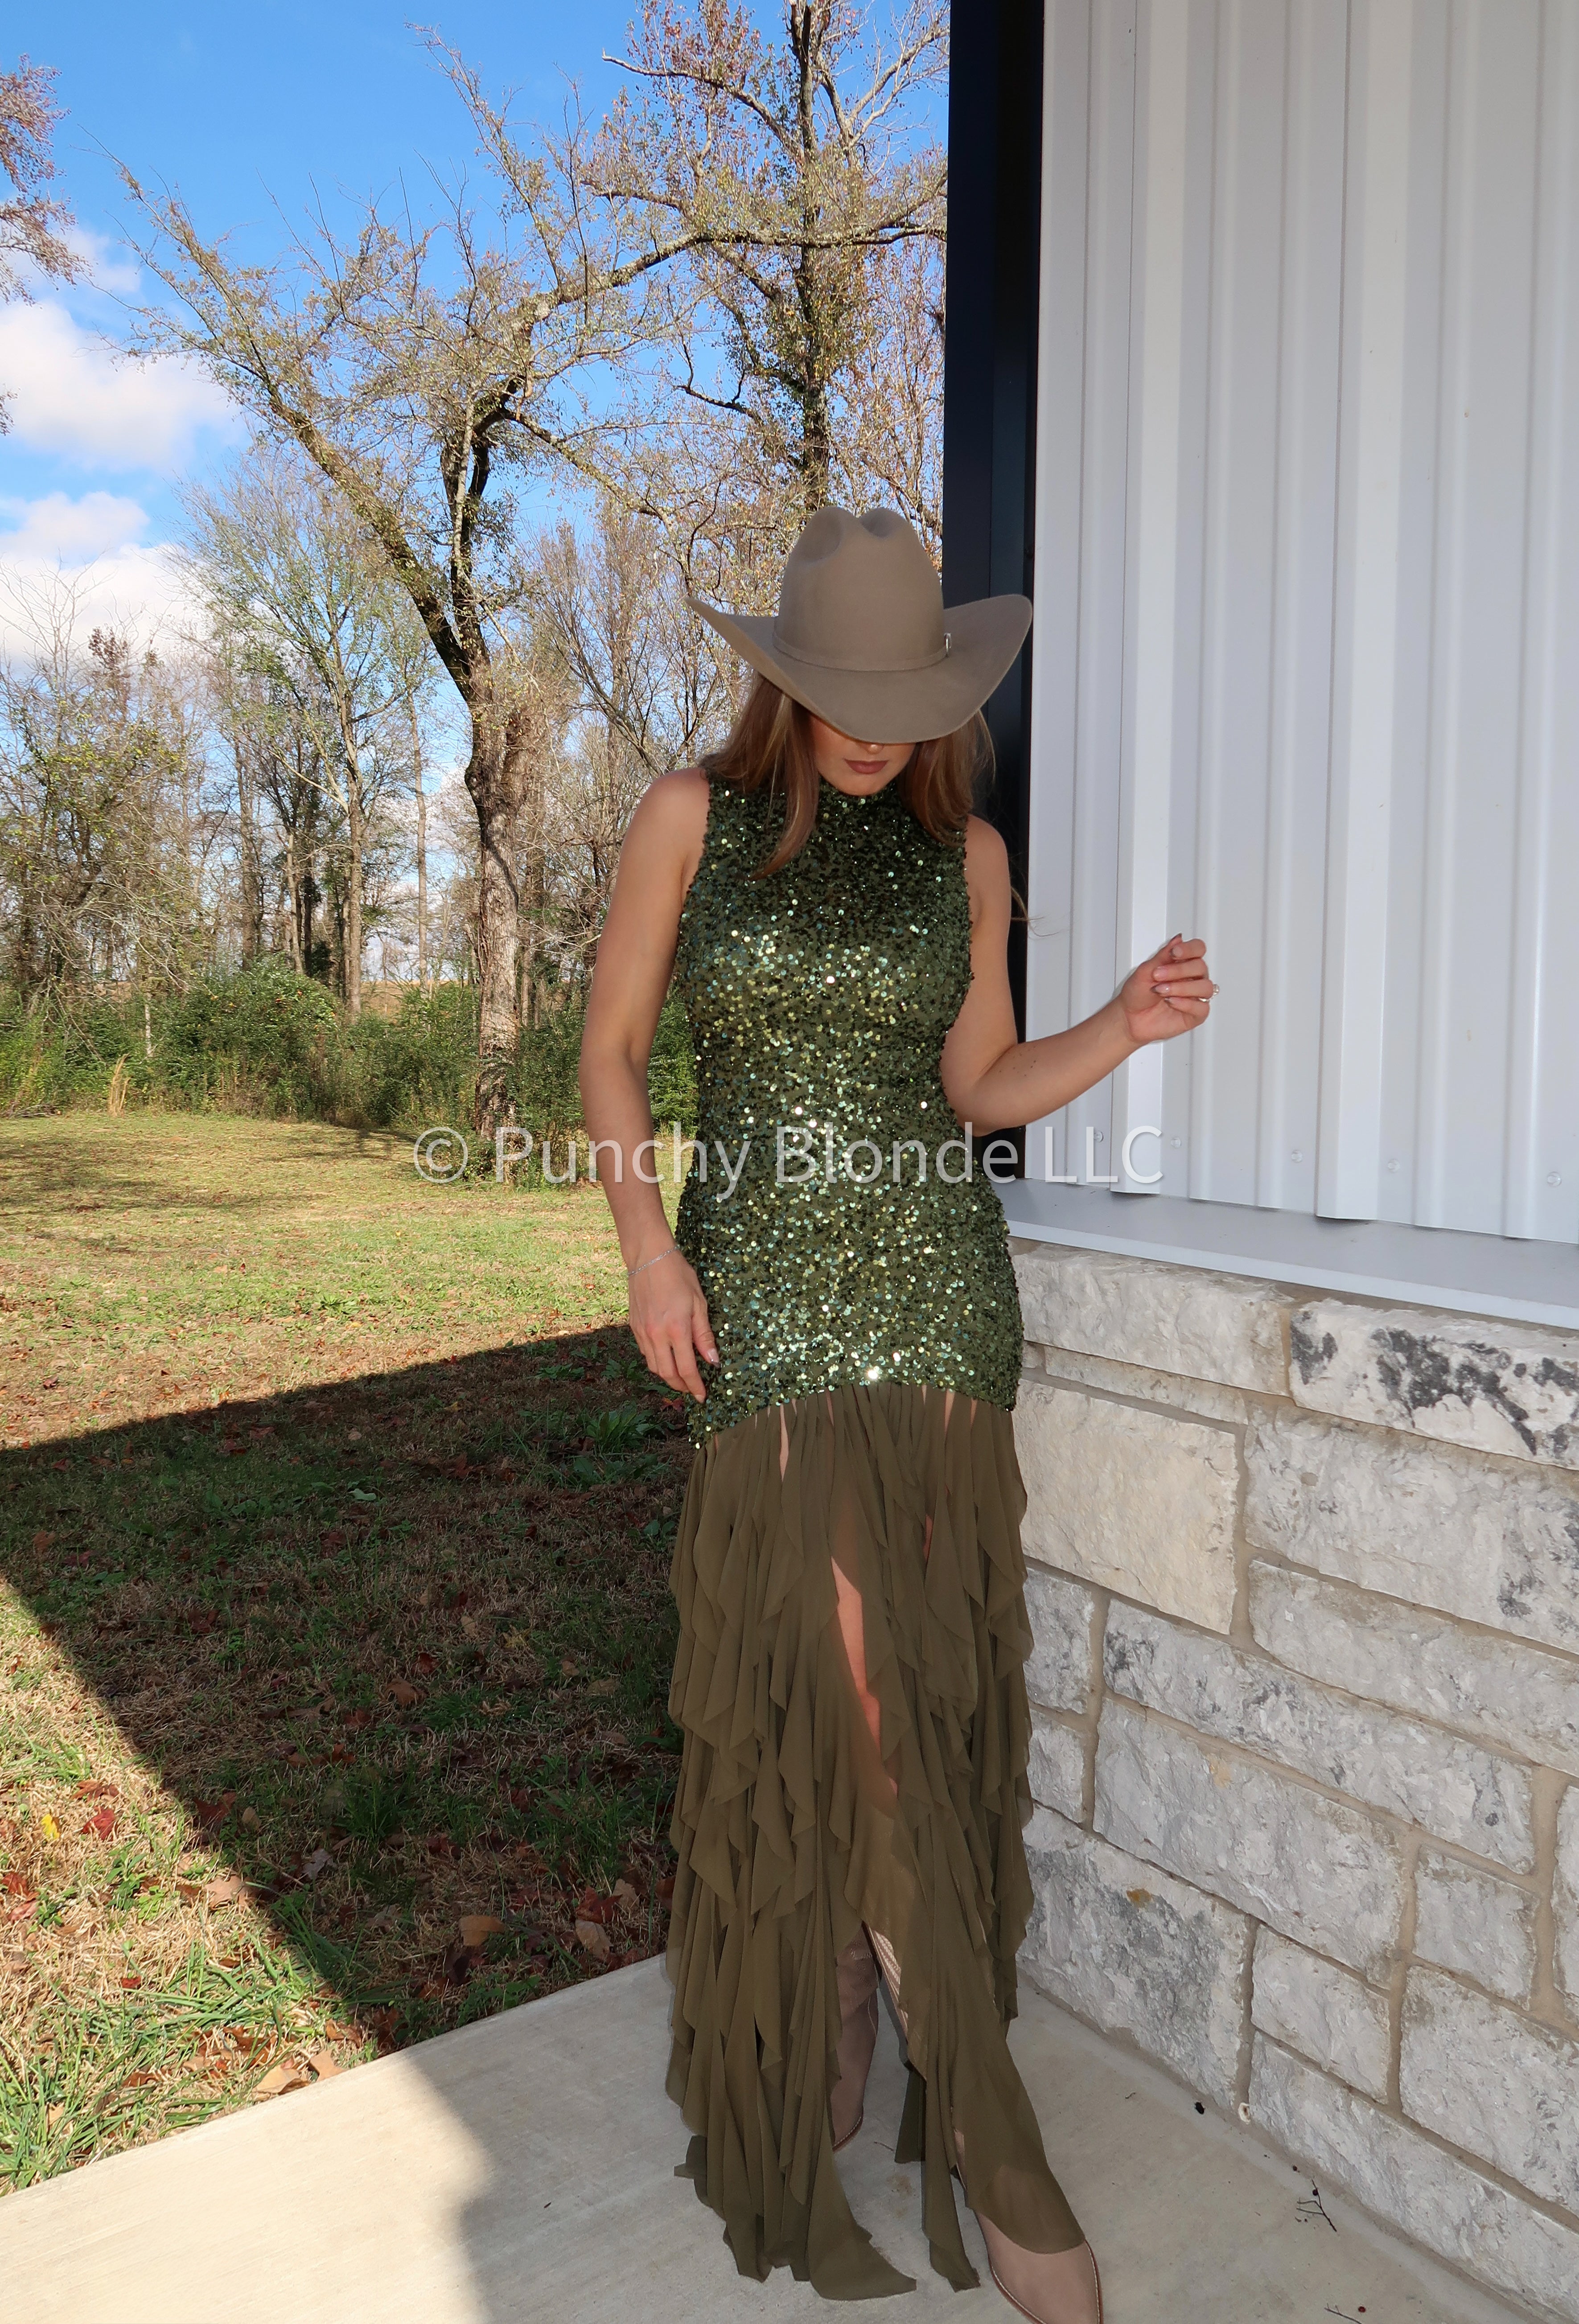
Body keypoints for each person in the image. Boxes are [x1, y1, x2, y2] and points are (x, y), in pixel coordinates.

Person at [580, 507, 1214, 2319]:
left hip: (936, 1309)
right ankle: (974, 2126)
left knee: (899, 1700)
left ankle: (873, 2027)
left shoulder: (967, 856)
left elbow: (981, 1084)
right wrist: (645, 1247)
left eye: (905, 699)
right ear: (785, 683)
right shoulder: (691, 816)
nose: (874, 730)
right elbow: (611, 1049)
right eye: (842, 695)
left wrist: (1120, 1026)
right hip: (765, 1311)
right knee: (834, 1696)